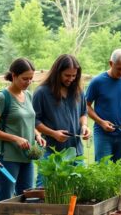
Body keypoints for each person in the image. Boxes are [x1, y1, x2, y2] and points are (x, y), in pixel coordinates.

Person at [0, 58, 45, 215]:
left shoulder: (28, 96)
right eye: (25, 78)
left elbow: (29, 122)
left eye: (31, 78)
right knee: (4, 202)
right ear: (14, 75)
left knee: (27, 201)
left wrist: (37, 135)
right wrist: (15, 138)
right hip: (7, 157)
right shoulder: (2, 97)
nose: (28, 82)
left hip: (27, 156)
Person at [33, 54, 90, 186]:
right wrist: (53, 133)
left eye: (74, 75)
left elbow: (83, 113)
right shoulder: (42, 92)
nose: (71, 79)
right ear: (57, 72)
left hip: (76, 151)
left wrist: (85, 126)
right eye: (67, 75)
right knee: (45, 189)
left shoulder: (78, 91)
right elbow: (34, 121)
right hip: (50, 152)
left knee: (79, 189)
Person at [86, 49, 121, 162]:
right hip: (103, 134)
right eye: (119, 68)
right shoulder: (97, 81)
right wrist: (101, 122)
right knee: (103, 168)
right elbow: (86, 106)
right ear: (111, 63)